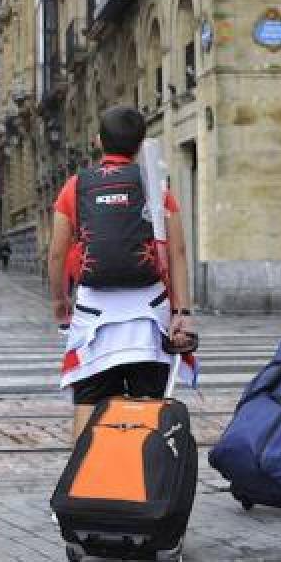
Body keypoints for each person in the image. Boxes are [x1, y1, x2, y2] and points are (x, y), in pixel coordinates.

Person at [47, 106, 195, 441]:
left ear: (99, 142)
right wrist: (182, 312)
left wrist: (59, 300)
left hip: (93, 317)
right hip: (149, 315)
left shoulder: (75, 187)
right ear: (141, 144)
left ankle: (86, 483)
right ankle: (144, 481)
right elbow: (178, 253)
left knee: (88, 400)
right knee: (149, 406)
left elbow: (56, 253)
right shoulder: (156, 189)